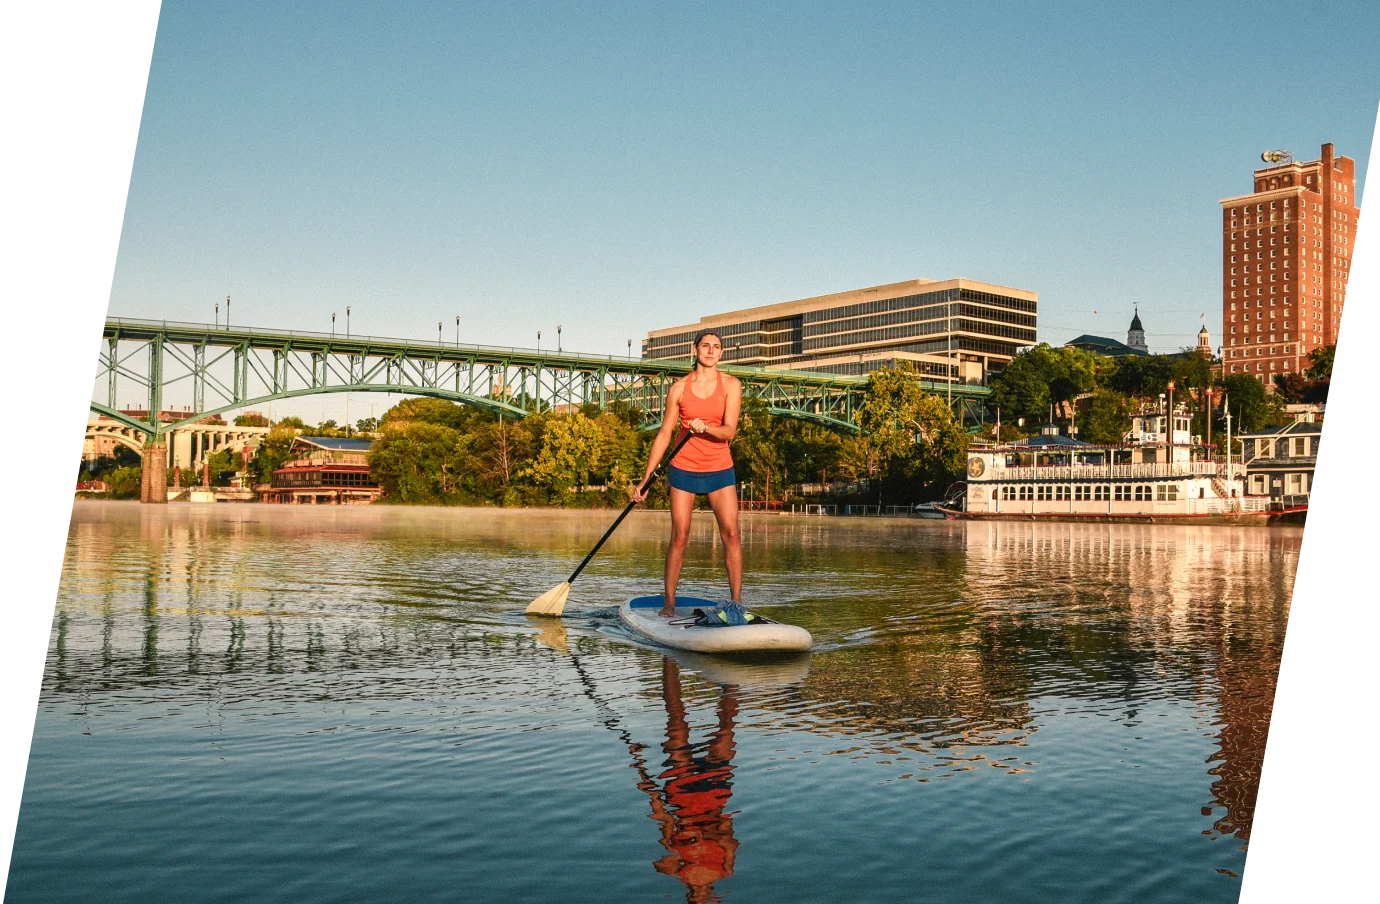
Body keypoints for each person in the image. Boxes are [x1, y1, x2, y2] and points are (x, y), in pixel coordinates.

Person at [632, 329, 743, 617]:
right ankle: (669, 602)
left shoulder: (731, 385)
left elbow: (729, 430)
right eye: (705, 345)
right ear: (695, 349)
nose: (710, 350)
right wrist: (645, 479)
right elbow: (664, 434)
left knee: (731, 534)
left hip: (719, 468)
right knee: (680, 536)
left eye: (716, 347)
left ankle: (736, 603)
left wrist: (706, 427)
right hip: (683, 467)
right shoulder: (679, 389)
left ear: (721, 353)